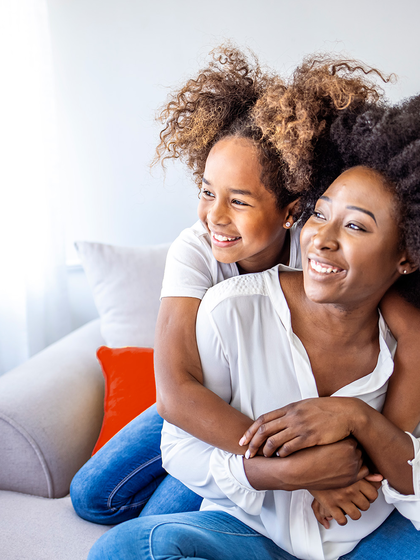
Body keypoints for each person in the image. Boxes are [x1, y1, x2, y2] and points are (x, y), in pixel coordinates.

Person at [87, 94, 420, 560]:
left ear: (290, 211)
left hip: (353, 524)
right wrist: (301, 470)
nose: (216, 217)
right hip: (194, 396)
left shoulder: (328, 262)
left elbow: (401, 325)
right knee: (99, 500)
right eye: (207, 192)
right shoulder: (202, 259)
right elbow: (178, 397)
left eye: (239, 200)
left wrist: (358, 418)